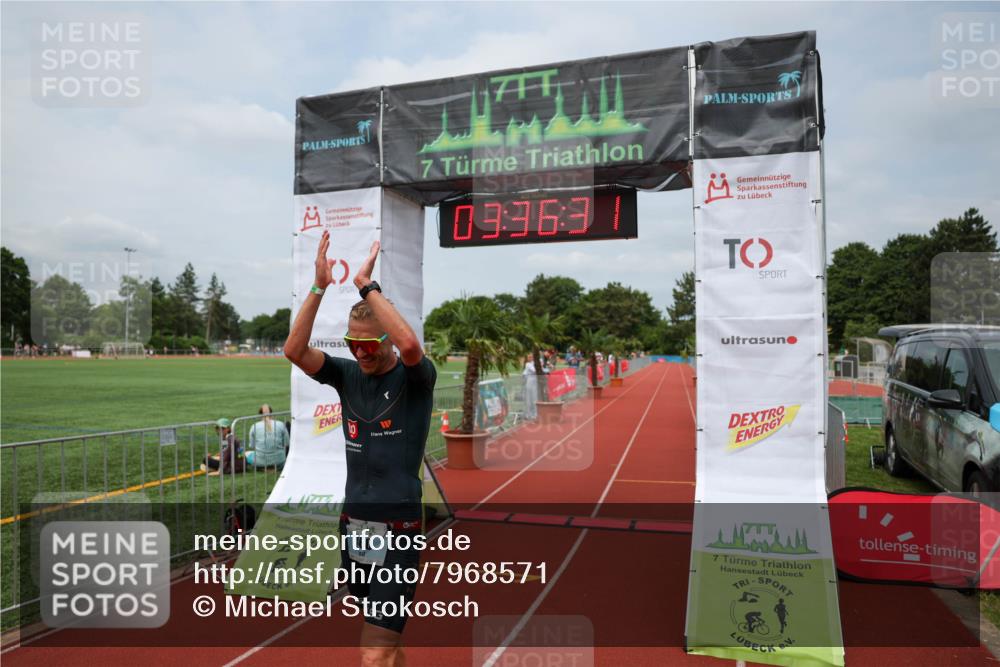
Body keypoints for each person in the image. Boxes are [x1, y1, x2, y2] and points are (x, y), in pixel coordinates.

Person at [284, 232, 435, 667]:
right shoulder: (346, 375)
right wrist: (318, 286)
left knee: (372, 651)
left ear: (386, 339)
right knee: (384, 645)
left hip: (399, 532)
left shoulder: (415, 379)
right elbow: (294, 350)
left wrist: (366, 284)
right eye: (353, 344)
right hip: (353, 528)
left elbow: (410, 346)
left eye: (369, 344)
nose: (361, 353)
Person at [245, 404, 288, 469]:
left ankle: (264, 467)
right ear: (271, 413)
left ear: (260, 415)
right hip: (279, 461)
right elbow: (287, 443)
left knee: (246, 453)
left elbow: (252, 446)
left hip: (260, 462)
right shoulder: (280, 424)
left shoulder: (254, 426)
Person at [522, 355, 539, 419]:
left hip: (534, 382)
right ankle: (529, 414)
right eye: (529, 357)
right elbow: (534, 370)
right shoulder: (528, 364)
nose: (530, 358)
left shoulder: (536, 363)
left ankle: (535, 414)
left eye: (531, 357)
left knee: (535, 398)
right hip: (529, 382)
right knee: (529, 399)